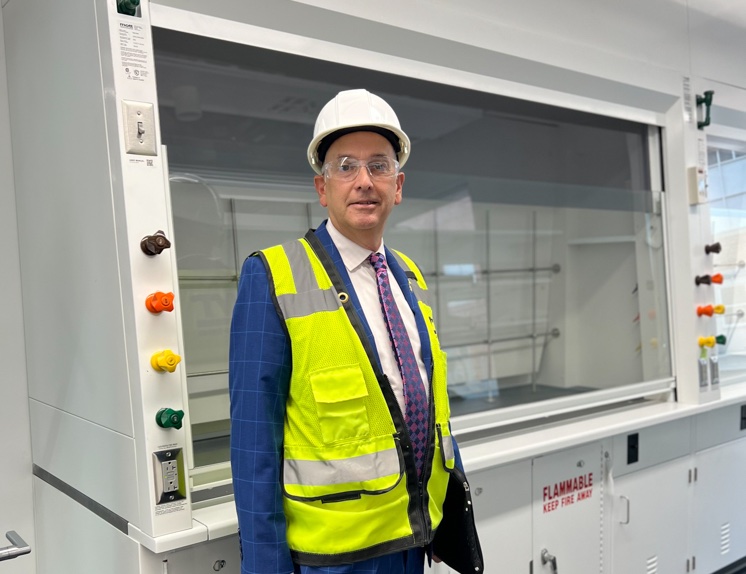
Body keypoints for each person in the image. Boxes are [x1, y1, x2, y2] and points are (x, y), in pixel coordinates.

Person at [229, 89, 471, 574]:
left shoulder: (410, 277)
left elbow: (429, 403)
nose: (364, 181)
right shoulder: (272, 276)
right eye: (345, 166)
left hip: (410, 543)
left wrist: (446, 526)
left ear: (398, 186)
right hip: (333, 561)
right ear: (323, 189)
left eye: (378, 166)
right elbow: (254, 445)